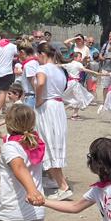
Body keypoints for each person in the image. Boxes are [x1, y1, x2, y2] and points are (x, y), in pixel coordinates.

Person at [34, 42, 71, 199]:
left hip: (47, 107)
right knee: (55, 143)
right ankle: (54, 179)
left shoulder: (43, 69)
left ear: (43, 54)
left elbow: (41, 83)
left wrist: (38, 99)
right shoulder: (60, 70)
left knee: (47, 143)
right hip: (58, 107)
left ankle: (63, 186)